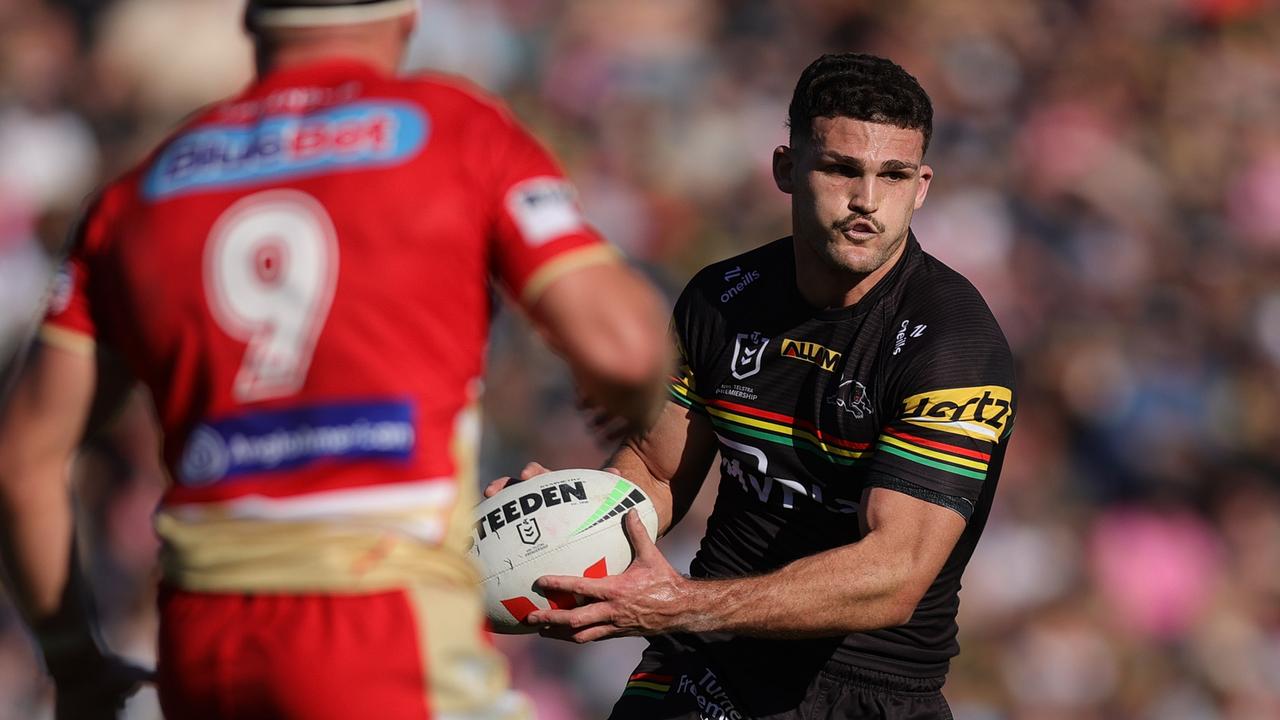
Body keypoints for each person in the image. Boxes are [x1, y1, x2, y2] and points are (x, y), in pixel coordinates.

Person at [0, 0, 670, 718]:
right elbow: (624, 352)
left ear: (253, 20)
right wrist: (635, 400)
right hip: (382, 626)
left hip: (205, 643)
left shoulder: (141, 189)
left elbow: (23, 457)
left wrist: (73, 659)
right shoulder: (456, 130)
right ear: (407, 13)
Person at [489, 53, 1017, 719]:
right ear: (786, 169)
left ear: (922, 186)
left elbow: (895, 574)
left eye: (894, 175)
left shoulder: (952, 344)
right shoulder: (722, 298)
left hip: (862, 693)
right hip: (705, 661)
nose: (867, 200)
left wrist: (683, 602)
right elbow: (655, 469)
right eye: (841, 169)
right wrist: (564, 522)